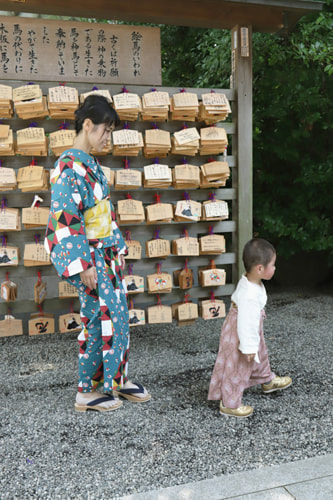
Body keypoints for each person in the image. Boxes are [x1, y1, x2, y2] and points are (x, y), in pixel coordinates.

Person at [45, 95, 151, 412]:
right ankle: (85, 392)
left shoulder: (88, 163)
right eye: (105, 130)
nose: (108, 137)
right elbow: (67, 219)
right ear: (88, 125)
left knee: (116, 318)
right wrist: (82, 264)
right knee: (96, 320)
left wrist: (116, 245)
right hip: (89, 258)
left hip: (104, 253)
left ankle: (115, 381)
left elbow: (102, 213)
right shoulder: (68, 168)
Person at [208, 238, 292, 418]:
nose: (275, 268)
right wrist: (247, 347)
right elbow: (245, 324)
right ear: (260, 268)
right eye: (273, 265)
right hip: (241, 332)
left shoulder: (251, 281)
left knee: (260, 352)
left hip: (250, 328)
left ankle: (266, 379)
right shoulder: (249, 295)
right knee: (239, 363)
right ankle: (230, 403)